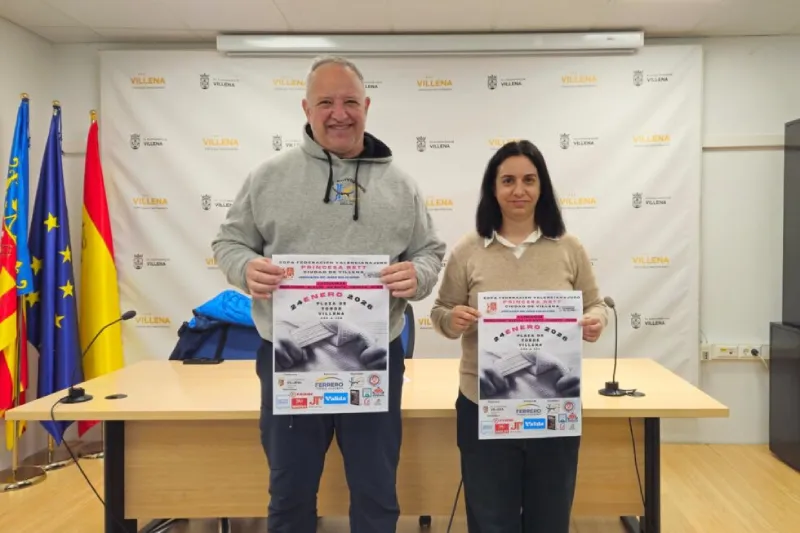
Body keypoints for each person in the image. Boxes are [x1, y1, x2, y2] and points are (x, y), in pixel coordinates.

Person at [211, 55, 446, 533]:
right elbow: (229, 243)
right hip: (289, 358)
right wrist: (246, 267)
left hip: (373, 359)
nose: (339, 114)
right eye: (325, 103)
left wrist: (417, 275)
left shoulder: (401, 185)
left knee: (376, 492)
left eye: (350, 102)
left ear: (367, 106)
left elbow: (429, 251)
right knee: (290, 493)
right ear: (306, 108)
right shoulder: (268, 177)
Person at [429, 140, 607, 533]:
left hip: (553, 406)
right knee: (491, 519)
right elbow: (440, 311)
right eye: (507, 180)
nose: (519, 190)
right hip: (484, 404)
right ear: (493, 189)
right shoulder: (468, 249)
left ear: (542, 187)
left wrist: (595, 321)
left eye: (529, 180)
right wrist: (453, 319)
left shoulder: (569, 247)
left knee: (550, 519)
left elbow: (595, 304)